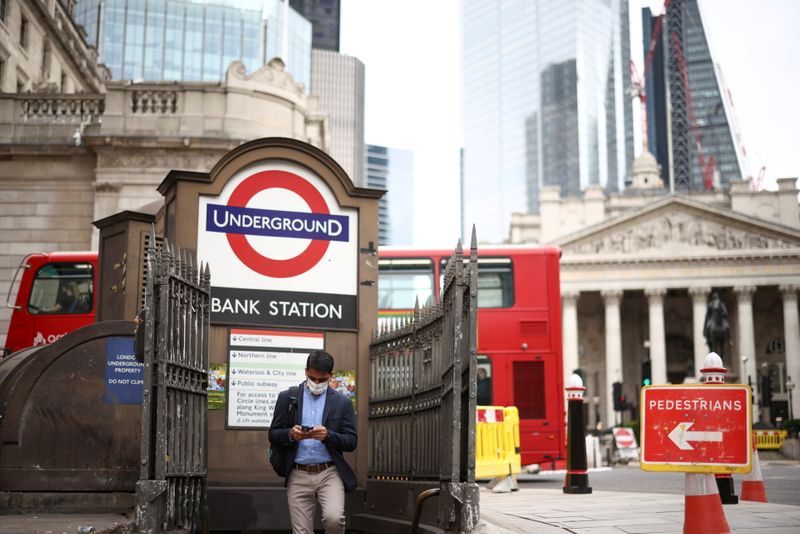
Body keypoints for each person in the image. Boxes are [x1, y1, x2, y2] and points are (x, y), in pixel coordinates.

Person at [268, 350, 357, 534]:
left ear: (330, 376)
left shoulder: (343, 402)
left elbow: (351, 441)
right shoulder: (287, 398)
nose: (316, 383)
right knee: (301, 532)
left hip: (329, 472)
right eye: (312, 378)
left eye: (321, 380)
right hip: (298, 472)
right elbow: (273, 434)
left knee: (334, 519)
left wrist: (328, 436)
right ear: (306, 371)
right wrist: (291, 434)